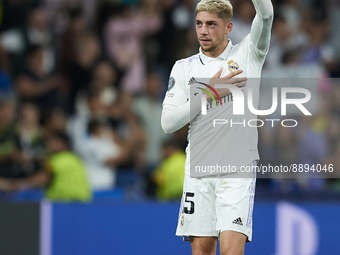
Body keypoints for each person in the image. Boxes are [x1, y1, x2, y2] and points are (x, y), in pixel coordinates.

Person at [161, 0, 273, 254]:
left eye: (211, 24)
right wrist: (210, 92)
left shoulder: (249, 53)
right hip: (198, 170)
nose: (203, 31)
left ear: (228, 27)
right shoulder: (183, 68)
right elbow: (168, 124)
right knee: (202, 251)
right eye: (199, 24)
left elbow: (266, 15)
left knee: (231, 251)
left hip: (237, 170)